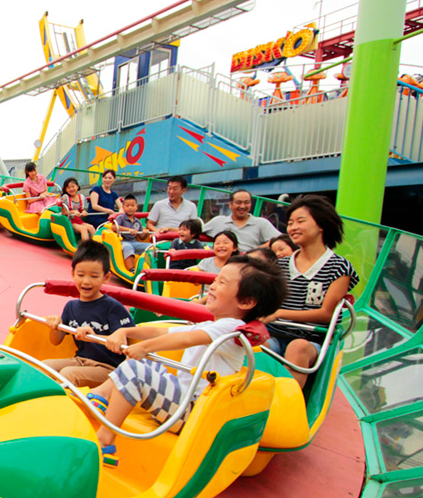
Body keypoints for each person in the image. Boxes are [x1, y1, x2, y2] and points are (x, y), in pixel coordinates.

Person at [88, 255, 285, 452]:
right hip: (182, 400)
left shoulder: (233, 328)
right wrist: (126, 331)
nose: (213, 286)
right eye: (216, 279)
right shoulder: (214, 325)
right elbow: (164, 331)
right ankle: (101, 395)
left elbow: (184, 340)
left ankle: (105, 440)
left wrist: (145, 347)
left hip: (191, 412)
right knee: (147, 364)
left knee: (135, 369)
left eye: (222, 282)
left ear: (246, 301)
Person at [261, 195, 359, 388]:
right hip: (275, 334)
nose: (293, 227)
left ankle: (289, 406)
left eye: (300, 221)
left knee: (298, 348)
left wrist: (280, 313)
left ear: (320, 224)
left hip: (310, 339)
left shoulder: (338, 267)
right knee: (253, 344)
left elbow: (327, 314)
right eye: (290, 223)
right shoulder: (280, 265)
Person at [43, 241, 134, 388]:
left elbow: (124, 345)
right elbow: (55, 341)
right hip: (80, 360)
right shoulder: (71, 307)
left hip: (109, 369)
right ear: (73, 274)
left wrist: (94, 337)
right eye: (81, 274)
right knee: (44, 367)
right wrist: (55, 325)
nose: (86, 281)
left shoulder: (112, 307)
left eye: (94, 276)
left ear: (106, 277)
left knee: (68, 374)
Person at [202, 189, 282, 252]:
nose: (243, 206)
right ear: (230, 205)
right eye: (238, 203)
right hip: (223, 263)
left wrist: (256, 250)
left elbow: (280, 239)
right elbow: (195, 232)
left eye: (247, 203)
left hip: (248, 264)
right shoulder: (218, 221)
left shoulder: (261, 223)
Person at [116, 194, 154, 271]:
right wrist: (129, 230)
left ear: (136, 207)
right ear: (123, 207)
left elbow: (141, 237)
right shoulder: (121, 218)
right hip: (123, 241)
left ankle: (151, 267)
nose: (130, 208)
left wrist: (145, 232)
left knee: (151, 246)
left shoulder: (138, 221)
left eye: (132, 205)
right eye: (127, 206)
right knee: (128, 247)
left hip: (135, 242)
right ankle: (132, 269)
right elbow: (114, 227)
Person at [59, 177, 98, 242]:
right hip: (70, 222)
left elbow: (82, 209)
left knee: (91, 227)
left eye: (73, 186)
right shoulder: (66, 198)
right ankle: (85, 248)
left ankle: (95, 246)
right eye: (68, 188)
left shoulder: (81, 197)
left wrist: (84, 212)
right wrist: (73, 212)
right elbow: (64, 212)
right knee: (83, 229)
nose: (71, 189)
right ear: (65, 189)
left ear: (77, 186)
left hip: (79, 221)